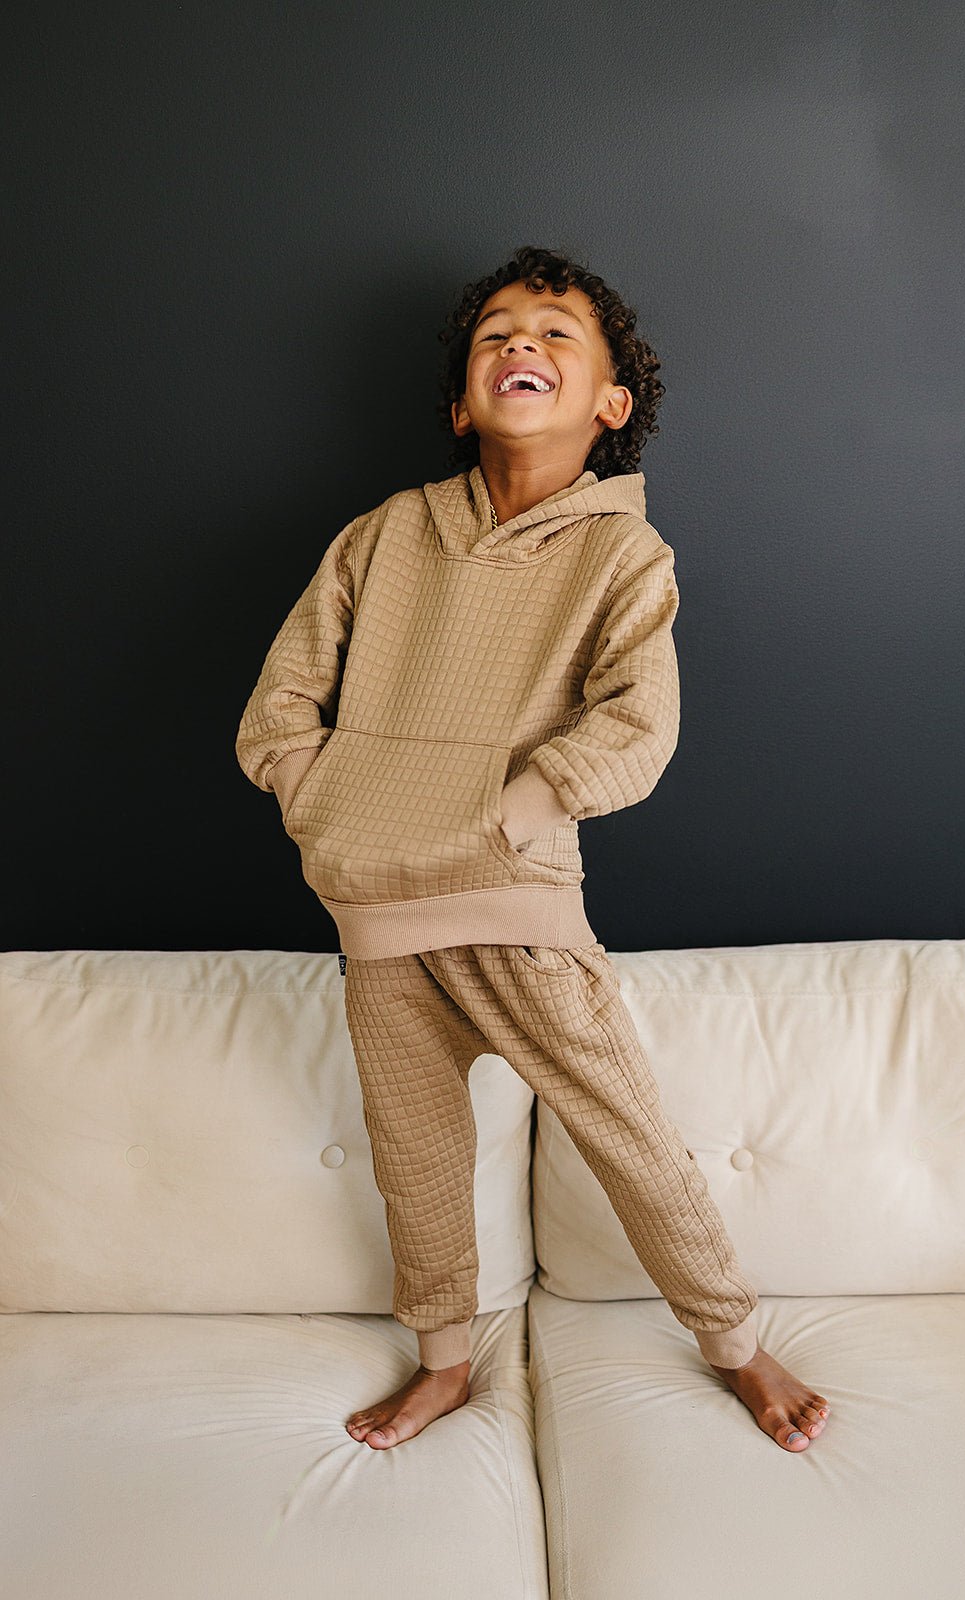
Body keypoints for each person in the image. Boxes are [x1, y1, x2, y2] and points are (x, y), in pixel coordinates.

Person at [235, 245, 830, 1455]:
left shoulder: (622, 556)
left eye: (557, 333)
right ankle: (443, 1361)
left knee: (631, 1142)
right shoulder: (384, 536)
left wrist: (505, 817)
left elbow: (636, 726)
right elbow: (276, 710)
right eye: (495, 333)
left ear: (609, 403)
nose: (521, 343)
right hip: (372, 911)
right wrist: (330, 810)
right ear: (462, 402)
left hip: (514, 905)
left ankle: (735, 1343)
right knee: (414, 1158)